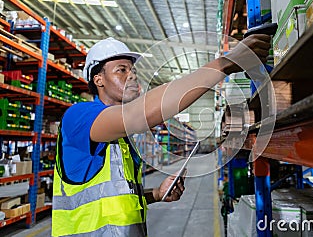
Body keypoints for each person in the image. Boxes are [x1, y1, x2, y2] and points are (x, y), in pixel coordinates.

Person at [52, 35, 271, 236]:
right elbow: (138, 114)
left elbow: (114, 200)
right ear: (98, 79)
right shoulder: (78, 117)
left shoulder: (122, 139)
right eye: (121, 70)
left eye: (134, 71)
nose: (132, 76)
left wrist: (156, 194)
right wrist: (224, 64)